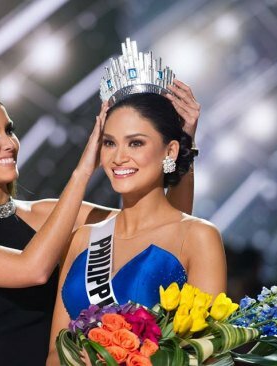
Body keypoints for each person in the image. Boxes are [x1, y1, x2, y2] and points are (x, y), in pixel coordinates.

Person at [0, 82, 199, 364]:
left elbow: (163, 230)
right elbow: (32, 269)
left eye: (10, 130)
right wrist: (83, 170)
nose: (10, 143)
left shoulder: (46, 214)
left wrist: (183, 147)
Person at [46, 39, 226, 365]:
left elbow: (207, 357)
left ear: (170, 151)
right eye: (110, 143)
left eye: (136, 142)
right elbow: (54, 353)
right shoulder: (83, 238)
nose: (119, 157)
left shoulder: (198, 237)